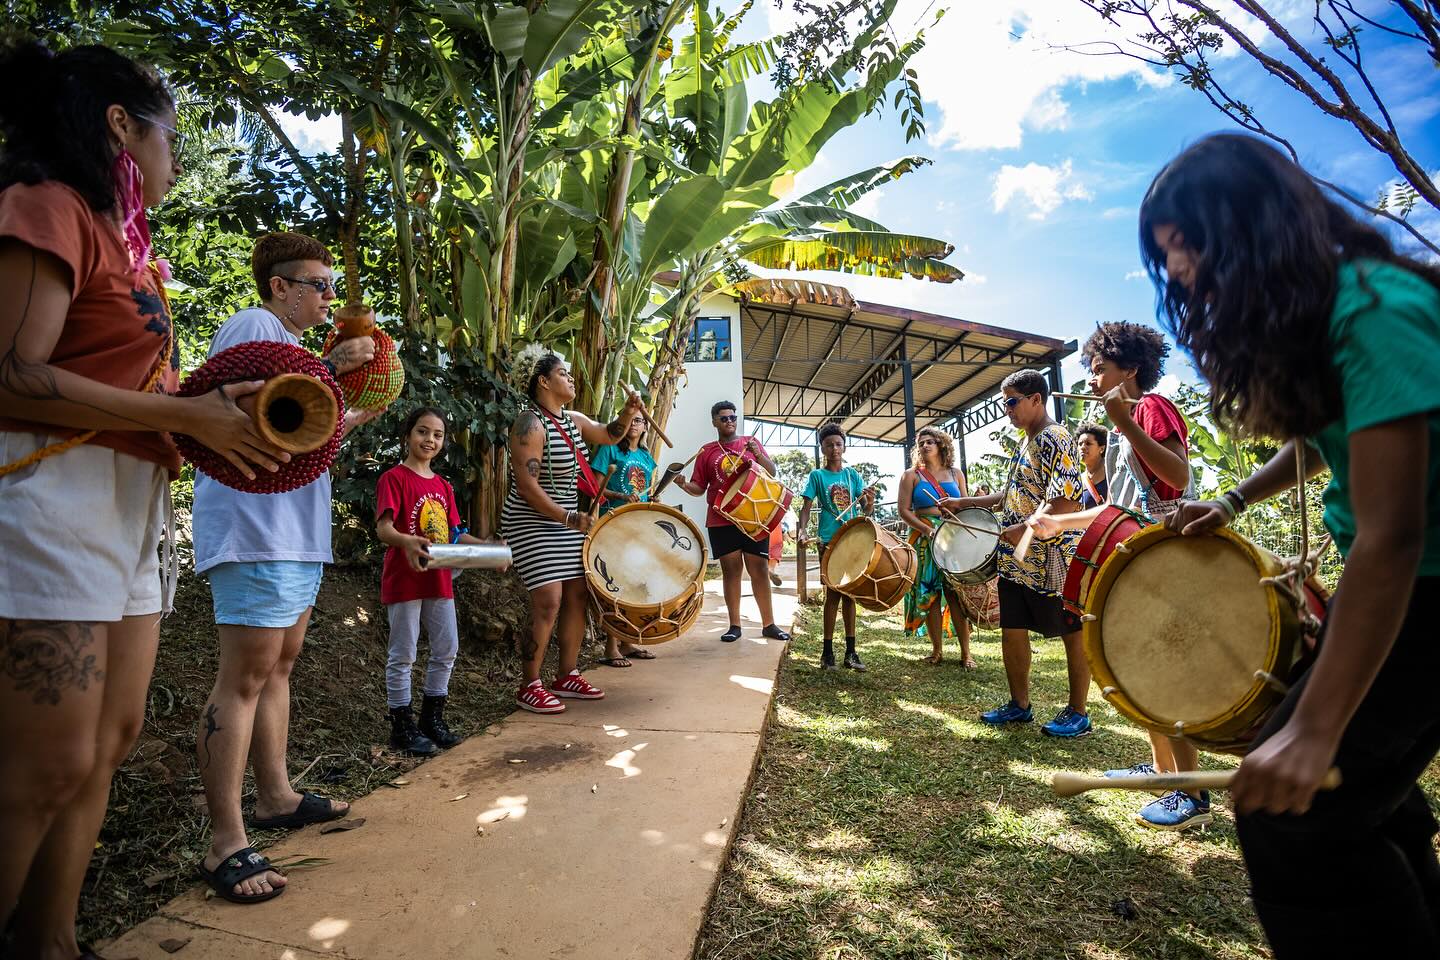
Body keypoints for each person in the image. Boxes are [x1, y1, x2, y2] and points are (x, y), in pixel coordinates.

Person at [0, 39, 287, 958]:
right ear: (121, 126)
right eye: (171, 132)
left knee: (106, 746)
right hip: (50, 491)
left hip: (131, 501)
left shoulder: (129, 244)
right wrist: (184, 416)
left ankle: (54, 940)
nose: (179, 154)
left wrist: (202, 416)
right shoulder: (46, 208)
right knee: (43, 765)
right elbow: (11, 376)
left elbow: (132, 388)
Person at [1143, 132, 1440, 956]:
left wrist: (1314, 730)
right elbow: (1323, 435)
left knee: (1299, 813)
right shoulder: (1331, 317)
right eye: (1166, 254)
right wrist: (1233, 499)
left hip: (1425, 586)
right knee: (1370, 797)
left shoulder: (1375, 312)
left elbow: (1393, 536)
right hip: (1408, 583)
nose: (1177, 272)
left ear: (1247, 227)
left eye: (1185, 247)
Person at [191, 232, 379, 904]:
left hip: (291, 532)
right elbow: (239, 409)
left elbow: (295, 429)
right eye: (318, 285)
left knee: (280, 664)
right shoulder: (254, 325)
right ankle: (225, 844)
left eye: (331, 287)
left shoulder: (296, 351)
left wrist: (347, 415)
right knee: (243, 678)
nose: (330, 298)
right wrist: (329, 366)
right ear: (279, 285)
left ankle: (274, 796)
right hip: (256, 531)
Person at [1028, 323, 1203, 828]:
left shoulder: (1150, 408)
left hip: (1165, 555)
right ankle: (1161, 769)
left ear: (1131, 370)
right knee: (1142, 670)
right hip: (1137, 555)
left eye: (1099, 370)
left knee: (1164, 672)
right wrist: (1058, 521)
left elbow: (1178, 478)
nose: (1090, 380)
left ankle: (1188, 794)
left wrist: (1124, 422)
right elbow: (1117, 509)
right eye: (1089, 370)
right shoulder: (1129, 417)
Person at [503, 344, 645, 713]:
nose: (570, 378)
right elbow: (527, 485)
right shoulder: (529, 424)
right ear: (543, 381)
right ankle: (529, 683)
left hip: (566, 521)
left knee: (578, 594)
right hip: (530, 520)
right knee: (549, 600)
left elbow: (609, 434)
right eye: (563, 373)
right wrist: (567, 517)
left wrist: (628, 413)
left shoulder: (573, 420)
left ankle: (566, 674)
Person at [948, 370, 1087, 736]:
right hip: (1017, 558)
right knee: (1013, 627)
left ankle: (1078, 711)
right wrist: (965, 502)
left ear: (1036, 399)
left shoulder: (1056, 438)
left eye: (1011, 402)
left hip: (1053, 556)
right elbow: (1009, 496)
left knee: (1072, 631)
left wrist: (1025, 528)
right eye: (1004, 403)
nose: (1006, 410)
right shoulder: (1026, 442)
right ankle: (1019, 705)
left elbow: (1067, 501)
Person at [375, 407, 490, 755]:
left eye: (437, 435)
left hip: (438, 579)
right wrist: (407, 541)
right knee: (403, 653)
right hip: (405, 578)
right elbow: (384, 530)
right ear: (408, 435)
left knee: (446, 648)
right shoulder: (393, 478)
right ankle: (402, 726)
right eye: (422, 432)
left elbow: (455, 534)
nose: (429, 440)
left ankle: (431, 720)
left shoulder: (442, 486)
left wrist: (489, 551)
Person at [673, 401, 791, 644]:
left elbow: (771, 472)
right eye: (724, 418)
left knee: (758, 568)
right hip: (720, 519)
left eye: (732, 417)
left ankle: (769, 624)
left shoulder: (751, 443)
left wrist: (757, 454)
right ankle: (734, 625)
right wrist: (684, 485)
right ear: (714, 421)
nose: (729, 421)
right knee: (731, 571)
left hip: (753, 518)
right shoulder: (706, 452)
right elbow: (699, 487)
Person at [797, 423, 875, 670]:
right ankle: (827, 652)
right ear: (822, 448)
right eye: (829, 445)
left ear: (844, 446)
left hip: (852, 539)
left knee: (850, 593)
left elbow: (866, 510)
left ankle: (851, 652)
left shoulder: (853, 476)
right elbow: (806, 508)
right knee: (833, 594)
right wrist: (802, 529)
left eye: (838, 444)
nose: (834, 449)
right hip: (829, 541)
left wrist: (869, 502)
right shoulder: (817, 476)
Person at [897, 426, 974, 668]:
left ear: (941, 445)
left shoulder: (956, 473)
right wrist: (926, 530)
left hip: (953, 536)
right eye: (921, 443)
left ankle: (966, 654)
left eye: (930, 441)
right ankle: (937, 650)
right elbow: (904, 510)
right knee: (930, 593)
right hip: (924, 535)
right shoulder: (911, 475)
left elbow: (965, 504)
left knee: (956, 594)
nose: (925, 446)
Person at [589, 411, 659, 667]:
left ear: (644, 428)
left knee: (634, 582)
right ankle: (611, 647)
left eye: (640, 420)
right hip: (612, 524)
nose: (635, 424)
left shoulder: (646, 458)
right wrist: (619, 495)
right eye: (631, 419)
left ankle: (627, 642)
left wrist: (651, 501)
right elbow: (594, 487)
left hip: (637, 527)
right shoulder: (609, 450)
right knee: (615, 583)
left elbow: (643, 492)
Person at [1075, 421, 1108, 508]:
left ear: (1102, 448)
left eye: (1088, 443)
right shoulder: (1078, 481)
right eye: (1080, 444)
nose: (1082, 447)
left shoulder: (1112, 474)